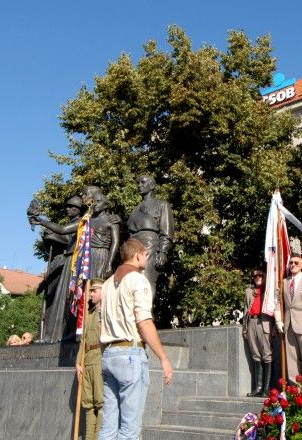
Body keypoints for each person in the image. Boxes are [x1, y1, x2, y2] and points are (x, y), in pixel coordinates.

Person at [98, 238, 174, 440]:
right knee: (130, 429)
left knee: (108, 427)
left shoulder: (106, 285)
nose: (147, 259)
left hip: (108, 353)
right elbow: (144, 321)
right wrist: (163, 357)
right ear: (138, 254)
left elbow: (100, 324)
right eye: (146, 255)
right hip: (130, 354)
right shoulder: (138, 280)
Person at [32, 195, 84, 342]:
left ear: (77, 209)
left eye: (70, 207)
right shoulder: (73, 222)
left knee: (67, 299)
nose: (67, 209)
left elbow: (62, 232)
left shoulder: (81, 222)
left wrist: (41, 221)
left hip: (73, 261)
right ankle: (54, 334)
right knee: (59, 299)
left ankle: (64, 332)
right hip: (67, 260)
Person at [126, 176, 174, 294]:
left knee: (145, 281)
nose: (139, 185)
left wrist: (163, 252)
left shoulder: (162, 205)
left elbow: (167, 232)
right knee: (130, 282)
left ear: (152, 185)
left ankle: (145, 311)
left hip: (150, 245)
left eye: (143, 182)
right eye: (138, 183)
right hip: (132, 246)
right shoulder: (135, 209)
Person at [275, 254, 302, 386]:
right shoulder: (284, 282)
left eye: (296, 263)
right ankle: (294, 389)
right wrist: (278, 320)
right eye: (291, 263)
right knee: (291, 358)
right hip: (288, 324)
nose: (293, 265)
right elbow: (277, 302)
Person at [76, 279, 104, 440]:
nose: (91, 294)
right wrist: (79, 362)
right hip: (87, 359)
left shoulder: (105, 312)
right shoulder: (90, 314)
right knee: (88, 404)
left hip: (100, 357)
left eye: (94, 291)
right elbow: (84, 341)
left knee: (100, 403)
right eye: (91, 290)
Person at [243, 269, 274, 397]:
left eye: (260, 275)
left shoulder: (268, 290)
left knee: (267, 355)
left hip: (264, 322)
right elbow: (245, 309)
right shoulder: (249, 291)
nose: (258, 278)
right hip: (252, 322)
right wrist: (245, 327)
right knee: (256, 355)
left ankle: (267, 388)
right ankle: (258, 387)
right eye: (255, 276)